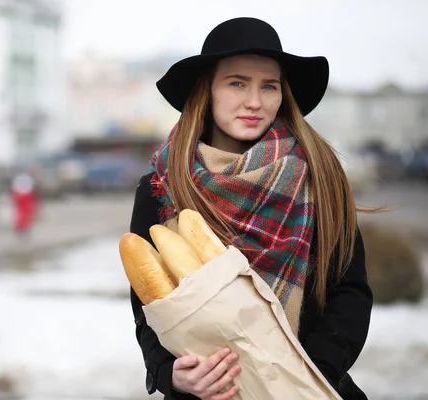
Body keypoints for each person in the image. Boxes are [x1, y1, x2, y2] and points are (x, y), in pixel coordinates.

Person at [129, 17, 375, 400]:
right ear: (207, 90)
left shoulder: (319, 176)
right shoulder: (164, 185)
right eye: (237, 83)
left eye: (269, 86)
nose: (255, 102)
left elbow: (350, 291)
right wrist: (170, 373)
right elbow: (149, 304)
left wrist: (307, 373)